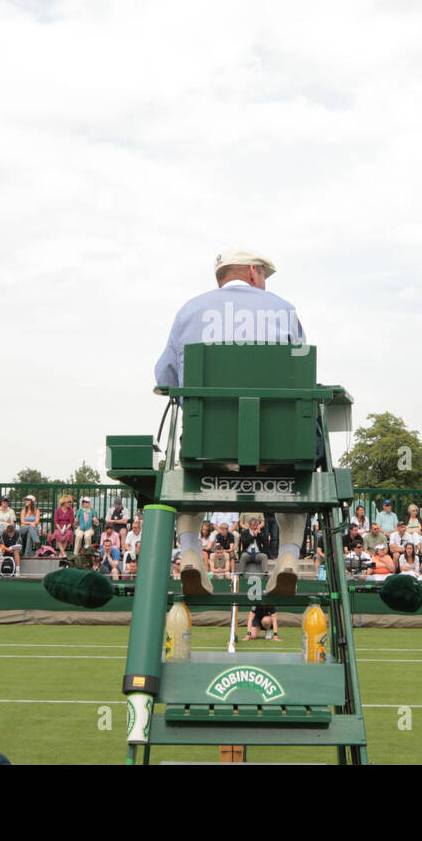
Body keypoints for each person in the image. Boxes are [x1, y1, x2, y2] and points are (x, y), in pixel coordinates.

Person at [154, 250, 311, 596]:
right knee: (301, 473)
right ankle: (287, 559)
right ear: (253, 273)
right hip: (278, 452)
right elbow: (303, 379)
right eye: (265, 277)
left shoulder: (189, 311)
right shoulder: (284, 310)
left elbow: (165, 377)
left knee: (186, 473)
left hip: (205, 449)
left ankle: (192, 554)